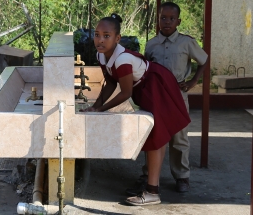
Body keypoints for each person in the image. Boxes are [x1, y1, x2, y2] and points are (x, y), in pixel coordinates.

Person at [81, 13, 191, 205]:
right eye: (97, 34)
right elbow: (110, 82)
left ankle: (152, 192)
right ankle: (150, 183)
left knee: (157, 137)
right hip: (145, 87)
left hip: (157, 86)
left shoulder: (122, 59)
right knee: (153, 135)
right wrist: (95, 106)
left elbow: (125, 93)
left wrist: (102, 109)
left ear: (117, 38)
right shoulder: (102, 54)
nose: (100, 40)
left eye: (106, 36)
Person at [142, 1, 208, 193]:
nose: (167, 22)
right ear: (158, 20)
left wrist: (193, 81)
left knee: (179, 137)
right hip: (156, 96)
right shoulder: (151, 44)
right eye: (163, 18)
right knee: (154, 135)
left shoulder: (187, 42)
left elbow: (203, 60)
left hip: (178, 94)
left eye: (171, 19)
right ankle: (149, 174)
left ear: (178, 21)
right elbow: (146, 67)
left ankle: (182, 176)